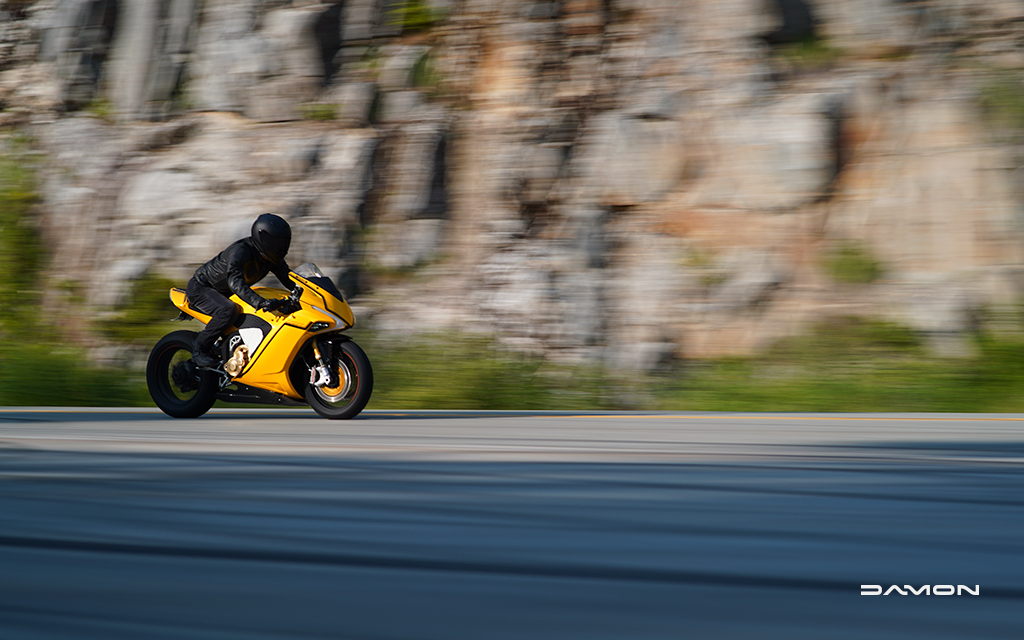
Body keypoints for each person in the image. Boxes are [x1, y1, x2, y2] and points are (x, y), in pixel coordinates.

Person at [186, 213, 296, 368]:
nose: (281, 247)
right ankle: (199, 351)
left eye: (284, 242)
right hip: (202, 287)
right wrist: (260, 302)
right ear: (264, 238)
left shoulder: (271, 258)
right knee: (228, 310)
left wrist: (307, 289)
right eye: (277, 242)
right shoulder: (241, 251)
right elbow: (235, 282)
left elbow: (288, 277)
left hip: (226, 292)